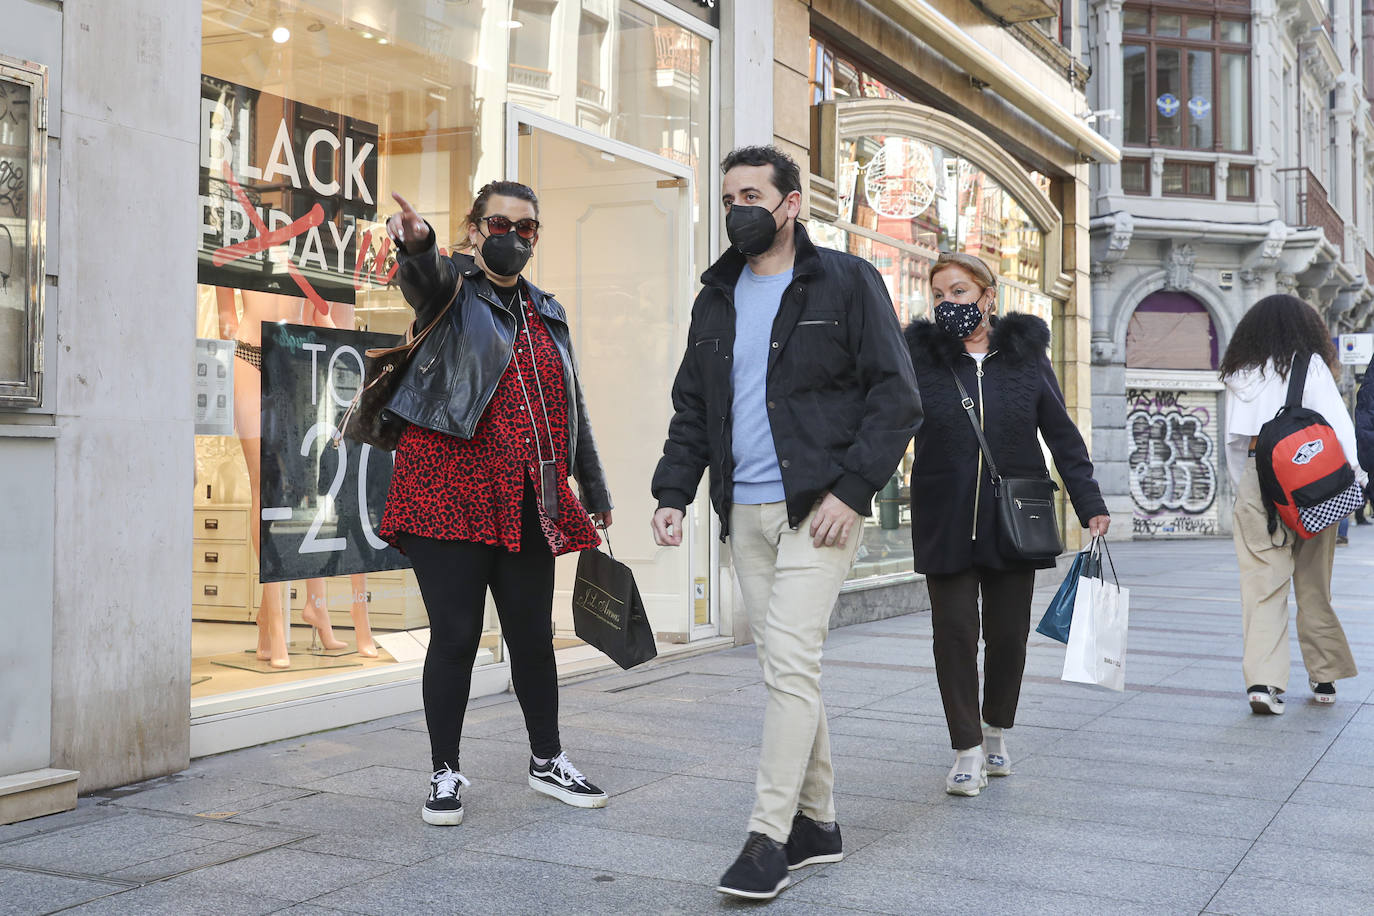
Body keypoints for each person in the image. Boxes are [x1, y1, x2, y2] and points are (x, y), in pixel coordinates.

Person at [650, 146, 921, 901]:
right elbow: (694, 408)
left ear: (791, 203)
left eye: (752, 194)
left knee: (792, 664)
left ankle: (768, 838)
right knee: (786, 671)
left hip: (818, 511)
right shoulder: (717, 296)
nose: (739, 206)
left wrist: (852, 490)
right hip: (746, 512)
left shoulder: (847, 281)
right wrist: (673, 492)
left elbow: (895, 398)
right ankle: (820, 824)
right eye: (729, 193)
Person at [378, 181, 613, 825]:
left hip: (527, 492)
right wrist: (419, 242)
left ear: (536, 237)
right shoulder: (450, 289)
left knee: (533, 633)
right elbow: (419, 276)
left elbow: (573, 406)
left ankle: (547, 760)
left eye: (526, 227)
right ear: (475, 228)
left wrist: (591, 487)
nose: (513, 235)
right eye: (499, 223)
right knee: (455, 635)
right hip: (445, 490)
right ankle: (445, 773)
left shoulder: (548, 310)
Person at [903, 252, 1109, 797]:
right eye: (940, 295)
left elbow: (1062, 435)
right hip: (944, 518)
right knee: (952, 635)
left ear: (988, 297)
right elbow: (887, 427)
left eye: (959, 293)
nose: (948, 304)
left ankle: (996, 731)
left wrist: (1089, 502)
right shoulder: (922, 361)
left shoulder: (1025, 359)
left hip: (1015, 519)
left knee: (1007, 637)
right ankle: (966, 748)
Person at [1222, 294, 1362, 713]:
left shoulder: (1239, 372)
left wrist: (1246, 489)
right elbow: (1338, 429)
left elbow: (1233, 443)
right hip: (1311, 481)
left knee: (1262, 586)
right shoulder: (1312, 366)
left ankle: (1263, 685)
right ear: (1305, 329)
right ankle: (1324, 678)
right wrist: (1355, 479)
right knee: (1314, 584)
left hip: (1257, 478)